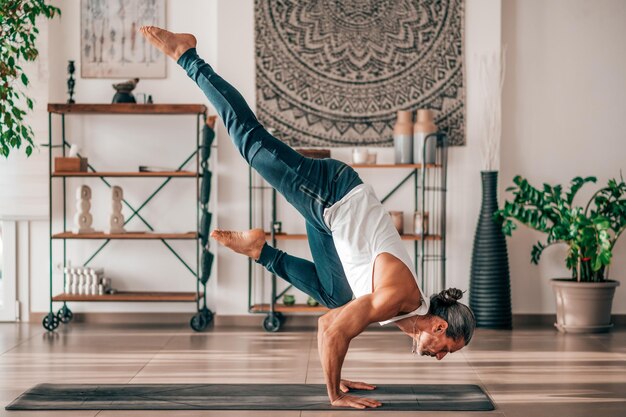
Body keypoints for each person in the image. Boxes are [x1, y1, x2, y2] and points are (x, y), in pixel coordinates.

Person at [139, 26, 476, 409]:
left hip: (333, 218)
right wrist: (334, 394)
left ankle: (260, 250)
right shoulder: (398, 298)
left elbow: (338, 320)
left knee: (337, 295)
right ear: (439, 326)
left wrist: (338, 370)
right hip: (332, 193)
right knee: (250, 142)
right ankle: (189, 57)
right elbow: (329, 329)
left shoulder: (410, 314)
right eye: (448, 348)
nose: (442, 356)